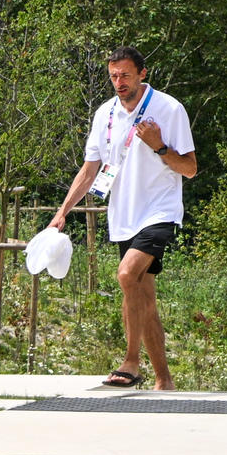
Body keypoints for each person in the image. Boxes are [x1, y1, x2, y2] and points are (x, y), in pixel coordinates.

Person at [49, 48, 196, 390]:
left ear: (143, 73)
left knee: (127, 274)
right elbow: (90, 169)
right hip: (123, 216)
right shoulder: (105, 114)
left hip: (160, 211)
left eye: (126, 75)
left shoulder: (169, 109)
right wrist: (62, 212)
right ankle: (164, 381)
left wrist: (160, 147)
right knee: (144, 297)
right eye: (114, 76)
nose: (119, 83)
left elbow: (189, 169)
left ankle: (131, 363)